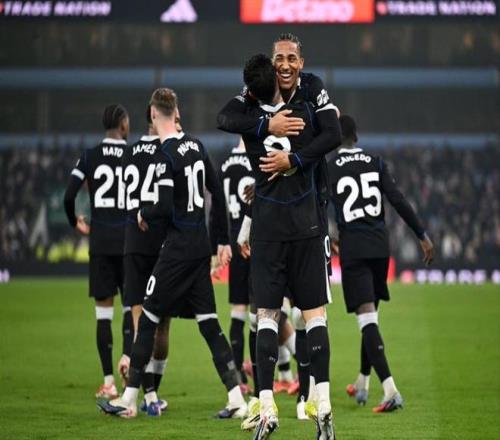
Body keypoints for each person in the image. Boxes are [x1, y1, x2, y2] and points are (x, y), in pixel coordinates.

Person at [97, 88, 247, 419]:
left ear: (153, 114)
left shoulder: (165, 155)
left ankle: (129, 399)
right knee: (209, 324)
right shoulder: (196, 146)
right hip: (200, 248)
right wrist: (221, 240)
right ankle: (237, 397)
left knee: (148, 318)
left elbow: (163, 206)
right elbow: (216, 191)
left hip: (176, 250)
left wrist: (144, 213)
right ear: (176, 113)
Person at [218, 32, 340, 429]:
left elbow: (225, 119)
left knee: (276, 316)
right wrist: (270, 126)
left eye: (291, 58)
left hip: (293, 223)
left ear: (301, 62)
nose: (285, 65)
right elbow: (331, 134)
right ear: (272, 66)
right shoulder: (286, 106)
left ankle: (298, 403)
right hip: (293, 222)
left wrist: (291, 158)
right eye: (279, 59)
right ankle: (300, 402)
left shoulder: (307, 91)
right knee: (301, 315)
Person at [328, 115, 434, 413]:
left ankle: (390, 390)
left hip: (354, 247)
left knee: (366, 319)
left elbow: (316, 204)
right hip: (379, 246)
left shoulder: (330, 167)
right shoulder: (375, 161)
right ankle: (363, 380)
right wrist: (422, 235)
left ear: (336, 139)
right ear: (357, 137)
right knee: (371, 317)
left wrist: (328, 235)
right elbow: (397, 200)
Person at [63, 104, 132, 400]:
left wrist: (75, 221)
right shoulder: (134, 154)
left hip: (101, 242)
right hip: (129, 243)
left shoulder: (90, 156)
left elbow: (69, 196)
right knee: (131, 308)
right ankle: (129, 367)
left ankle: (108, 382)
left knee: (103, 315)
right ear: (123, 124)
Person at [119, 105, 177, 415]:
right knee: (162, 325)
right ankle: (153, 395)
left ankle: (148, 393)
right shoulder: (168, 150)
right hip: (161, 243)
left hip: (132, 242)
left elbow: (122, 199)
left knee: (139, 319)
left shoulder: (129, 153)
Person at [218, 136, 255, 395]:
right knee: (263, 310)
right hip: (255, 238)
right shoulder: (258, 160)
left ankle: (239, 376)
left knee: (237, 311)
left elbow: (218, 207)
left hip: (233, 236)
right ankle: (279, 372)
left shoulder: (224, 165)